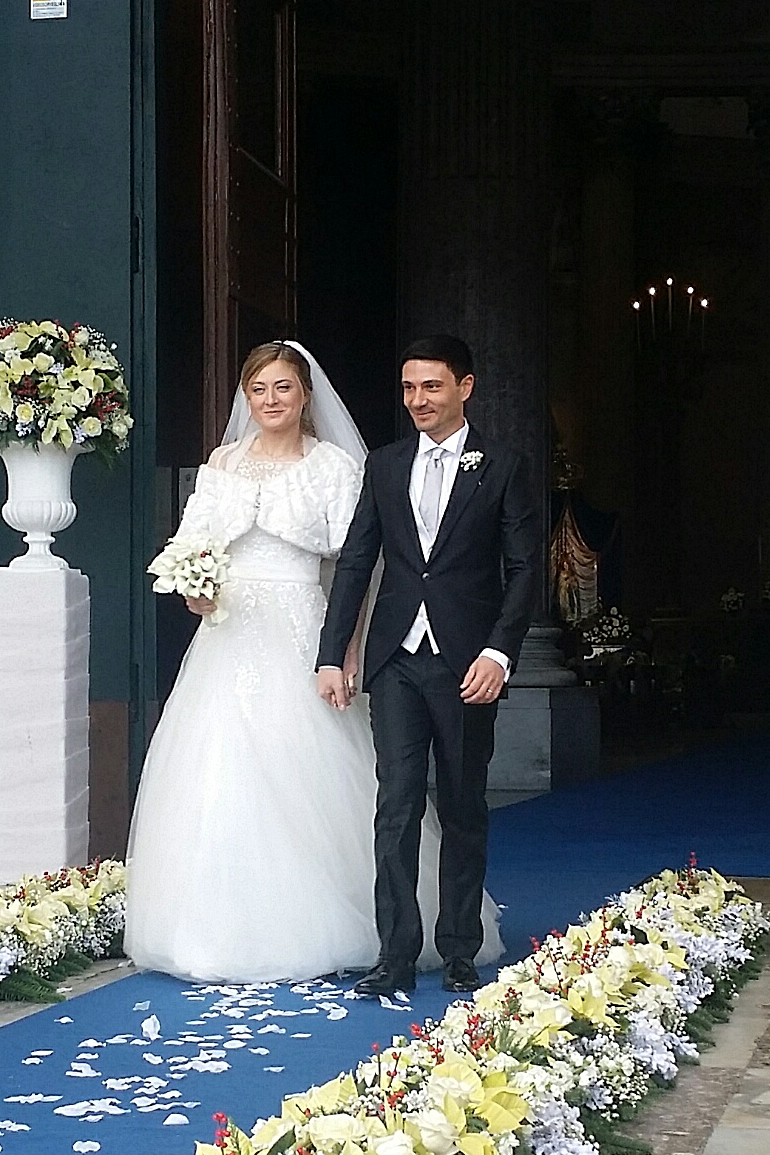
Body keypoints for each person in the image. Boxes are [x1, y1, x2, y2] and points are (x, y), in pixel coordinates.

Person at [125, 340, 502, 985]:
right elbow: (193, 542)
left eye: (283, 389)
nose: (270, 401)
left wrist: (346, 651)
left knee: (327, 780)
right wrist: (193, 584)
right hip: (226, 635)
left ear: (305, 397)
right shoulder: (221, 463)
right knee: (216, 773)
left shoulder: (333, 466)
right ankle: (217, 926)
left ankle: (390, 931)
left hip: (302, 626)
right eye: (258, 390)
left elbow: (354, 563)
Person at [316, 336, 541, 998]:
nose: (417, 400)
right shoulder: (383, 465)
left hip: (467, 660)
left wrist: (499, 651)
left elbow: (524, 567)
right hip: (394, 662)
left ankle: (460, 948)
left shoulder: (501, 464)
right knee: (396, 805)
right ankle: (395, 954)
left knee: (465, 803)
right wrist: (333, 653)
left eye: (431, 387)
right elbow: (358, 560)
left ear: (464, 388)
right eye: (409, 388)